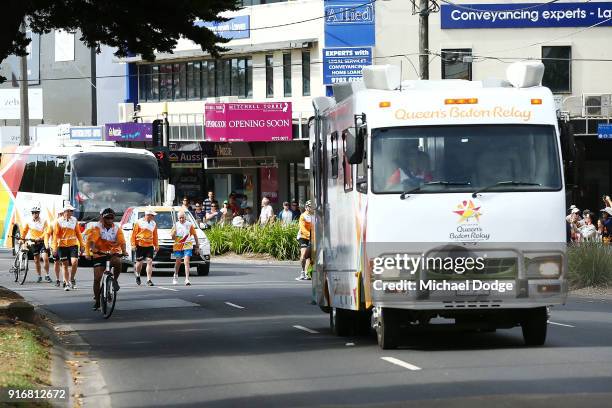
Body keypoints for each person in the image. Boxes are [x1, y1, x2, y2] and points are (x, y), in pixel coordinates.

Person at [85, 208, 127, 310]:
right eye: (106, 218)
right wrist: (92, 250)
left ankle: (115, 281)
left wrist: (124, 251)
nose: (109, 220)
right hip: (100, 254)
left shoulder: (117, 229)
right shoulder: (97, 227)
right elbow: (91, 241)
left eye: (111, 218)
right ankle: (97, 301)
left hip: (112, 253)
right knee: (97, 279)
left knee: (118, 261)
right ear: (102, 218)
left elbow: (122, 242)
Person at [52, 204, 85, 291]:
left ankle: (72, 278)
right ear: (65, 212)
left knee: (75, 262)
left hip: (73, 245)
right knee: (65, 265)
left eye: (72, 211)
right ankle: (66, 283)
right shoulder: (58, 222)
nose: (72, 212)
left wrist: (82, 245)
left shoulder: (74, 220)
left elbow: (78, 233)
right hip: (62, 246)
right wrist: (54, 248)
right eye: (70, 211)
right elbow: (55, 236)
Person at [20, 205, 51, 283]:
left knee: (45, 258)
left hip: (42, 242)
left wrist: (40, 237)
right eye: (33, 213)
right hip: (33, 242)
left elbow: (46, 231)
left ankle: (47, 275)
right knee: (36, 260)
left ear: (38, 213)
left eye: (36, 213)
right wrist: (21, 239)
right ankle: (39, 276)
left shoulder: (44, 221)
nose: (34, 214)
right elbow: (24, 231)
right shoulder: (29, 222)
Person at [131, 207, 159, 286]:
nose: (153, 217)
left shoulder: (154, 223)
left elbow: (155, 235)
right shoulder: (139, 222)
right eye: (152, 215)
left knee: (149, 261)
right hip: (140, 245)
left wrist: (156, 245)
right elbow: (133, 235)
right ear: (148, 215)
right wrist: (133, 244)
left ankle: (149, 280)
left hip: (149, 245)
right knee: (139, 263)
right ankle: (138, 275)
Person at [171, 211, 200, 286]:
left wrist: (197, 247)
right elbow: (173, 238)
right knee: (178, 261)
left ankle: (187, 279)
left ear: (185, 217)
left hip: (187, 244)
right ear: (178, 218)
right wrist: (173, 234)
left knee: (186, 261)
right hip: (178, 245)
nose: (181, 219)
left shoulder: (189, 224)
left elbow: (195, 236)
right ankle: (175, 275)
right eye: (180, 218)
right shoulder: (175, 225)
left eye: (182, 218)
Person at [45, 209, 64, 287]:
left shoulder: (67, 223)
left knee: (64, 263)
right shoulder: (53, 224)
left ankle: (65, 280)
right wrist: (47, 244)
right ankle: (57, 279)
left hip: (64, 245)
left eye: (63, 214)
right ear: (58, 215)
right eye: (60, 214)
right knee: (57, 262)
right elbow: (47, 234)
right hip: (55, 246)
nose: (62, 216)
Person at [296, 200, 313, 280]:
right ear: (306, 207)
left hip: (312, 237)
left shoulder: (315, 215)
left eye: (312, 206)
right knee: (303, 255)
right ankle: (302, 272)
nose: (311, 208)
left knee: (309, 256)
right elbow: (302, 228)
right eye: (310, 206)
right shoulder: (303, 216)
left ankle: (306, 272)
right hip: (303, 237)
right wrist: (310, 235)